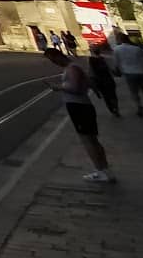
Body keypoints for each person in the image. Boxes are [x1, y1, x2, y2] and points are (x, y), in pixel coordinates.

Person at [45, 48, 113, 182]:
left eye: (53, 59)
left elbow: (75, 88)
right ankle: (104, 169)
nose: (54, 63)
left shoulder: (72, 68)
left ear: (58, 56)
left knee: (88, 141)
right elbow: (89, 83)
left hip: (79, 106)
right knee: (92, 140)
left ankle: (101, 171)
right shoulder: (74, 67)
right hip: (81, 106)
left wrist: (58, 87)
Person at [111, 34, 143, 117]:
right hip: (141, 72)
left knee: (134, 92)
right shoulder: (136, 48)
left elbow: (116, 63)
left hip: (129, 73)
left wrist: (116, 70)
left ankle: (139, 106)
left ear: (119, 40)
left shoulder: (117, 49)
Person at [87, 44, 120, 117]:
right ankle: (116, 108)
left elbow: (91, 73)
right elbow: (112, 69)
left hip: (100, 81)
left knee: (106, 97)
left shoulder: (90, 60)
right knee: (113, 95)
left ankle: (112, 110)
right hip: (108, 79)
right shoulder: (105, 58)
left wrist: (93, 85)